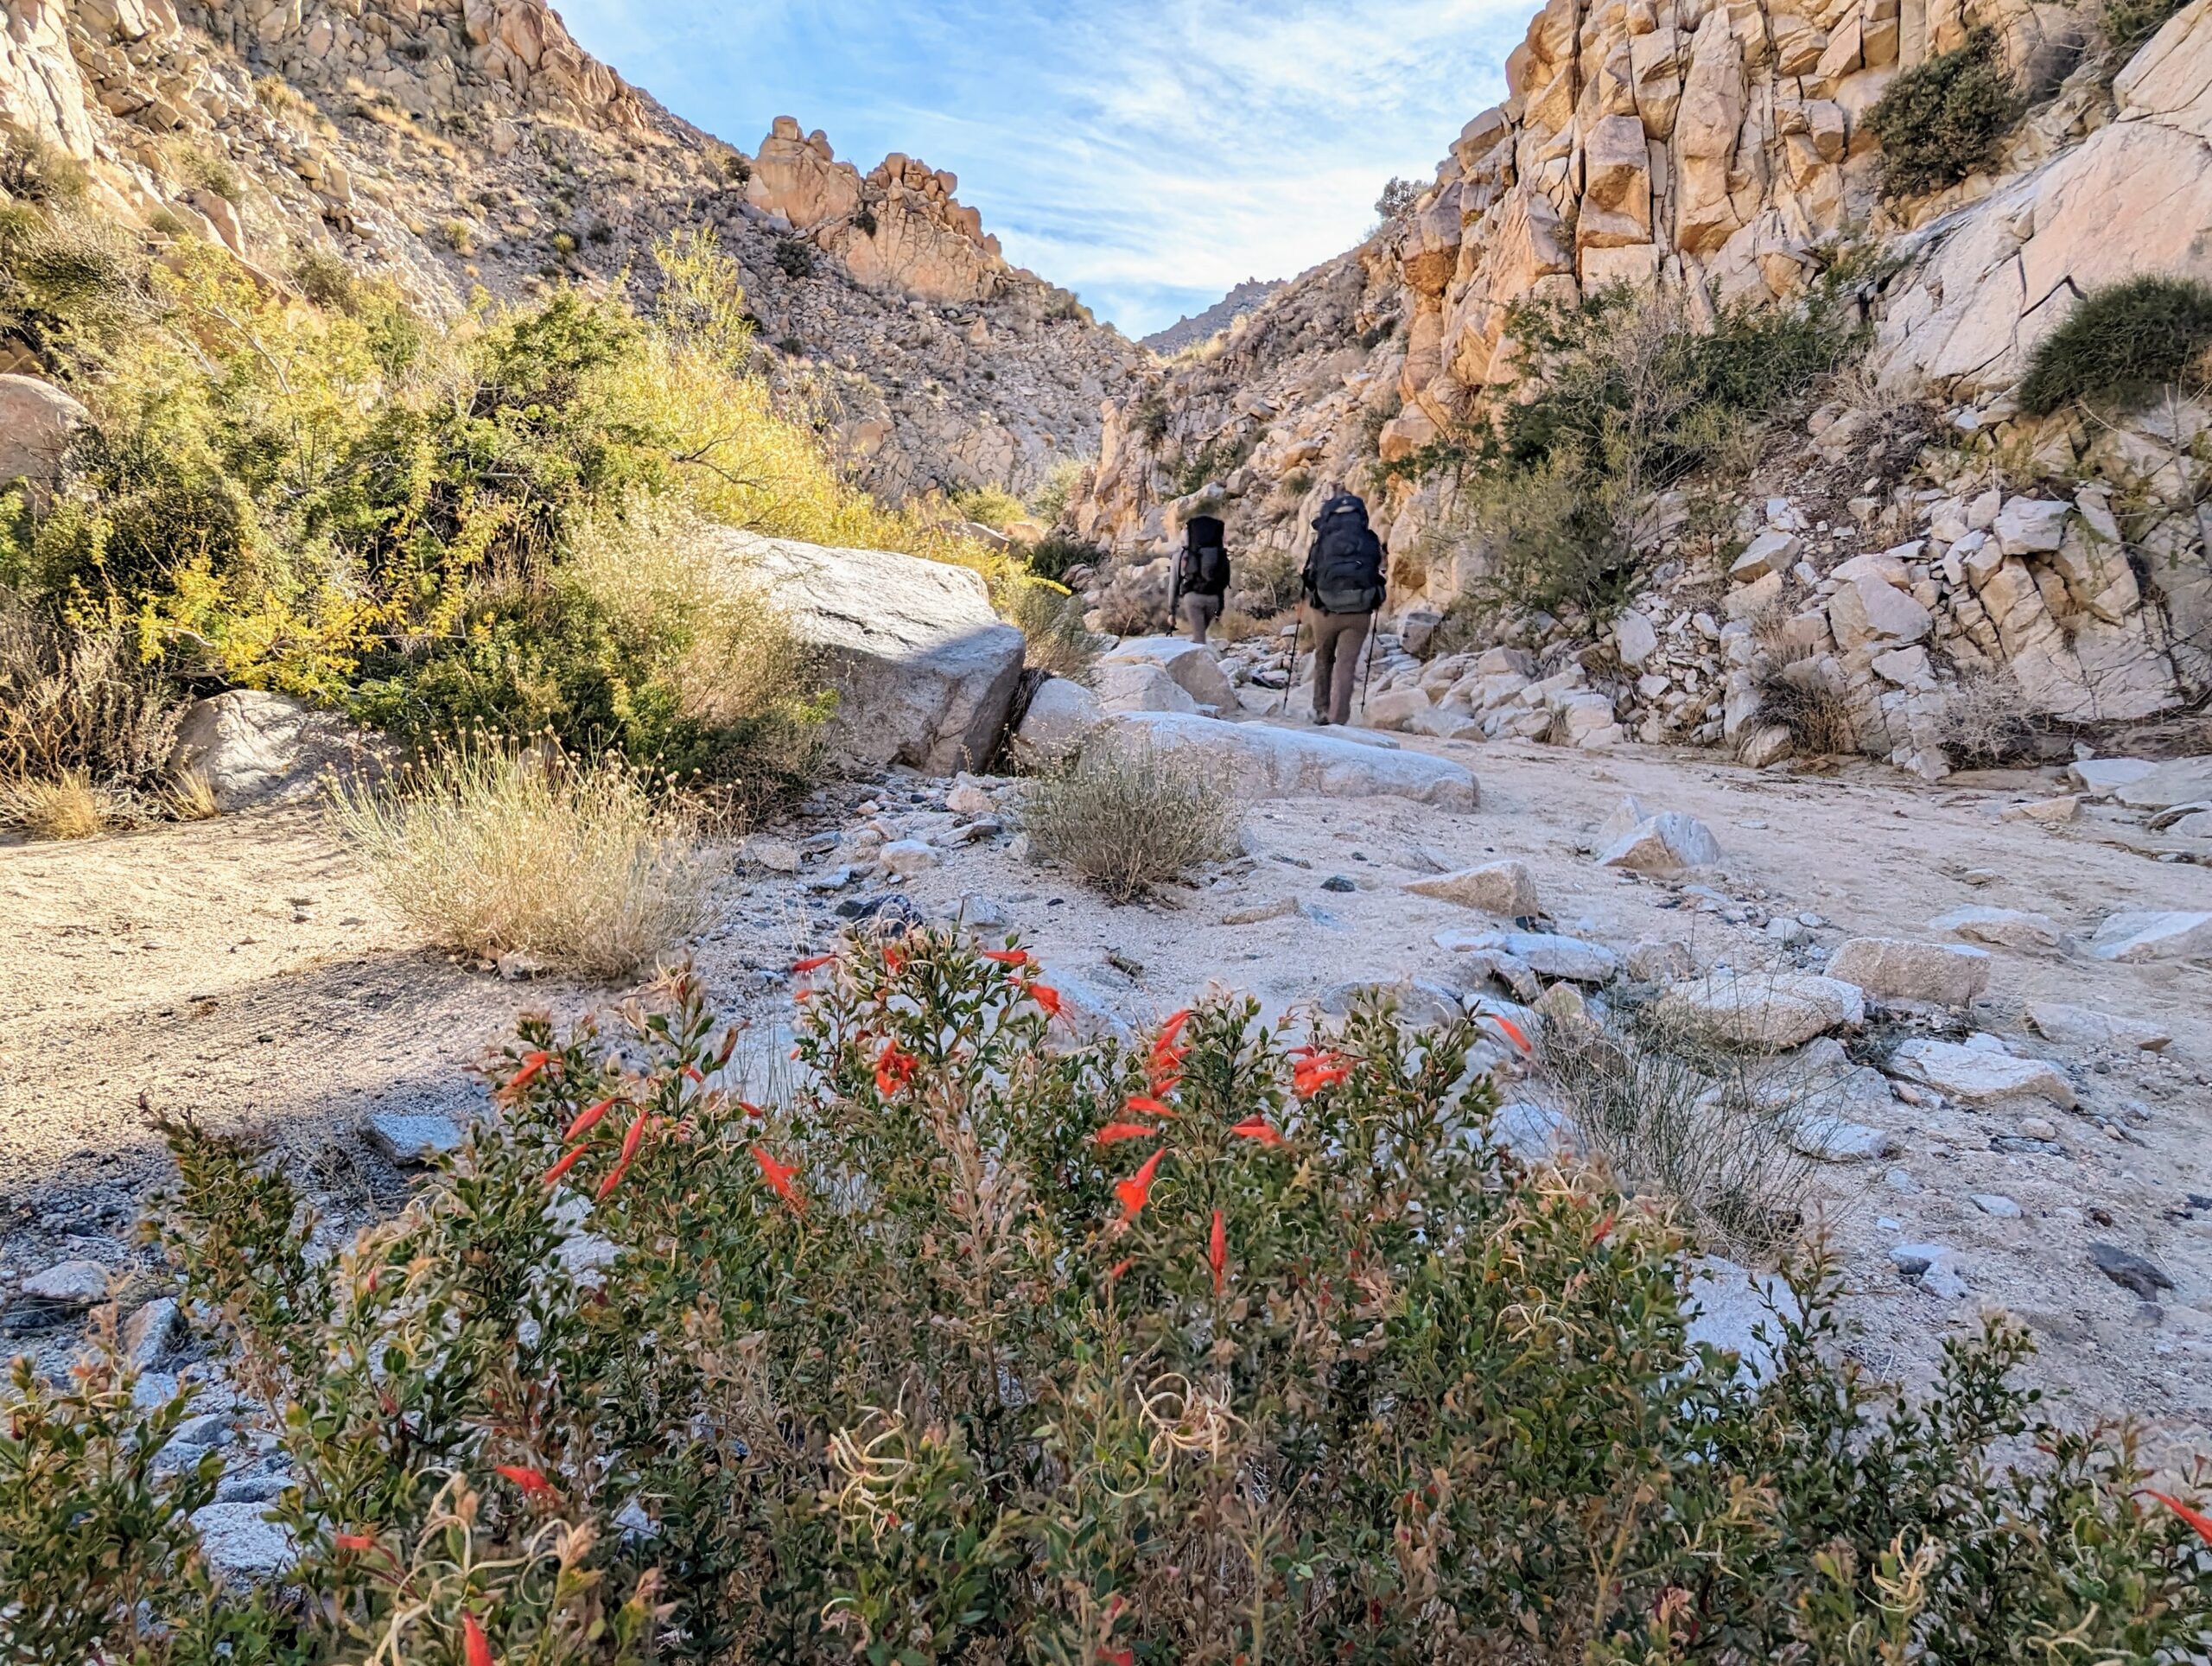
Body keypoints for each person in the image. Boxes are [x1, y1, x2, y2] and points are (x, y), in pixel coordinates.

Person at [1300, 487, 1385, 725]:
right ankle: (1339, 721)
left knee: (1323, 657)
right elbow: (1379, 569)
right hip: (1359, 612)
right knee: (1346, 666)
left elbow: (1308, 576)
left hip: (1325, 609)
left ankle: (1320, 711)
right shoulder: (1369, 539)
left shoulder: (1323, 541)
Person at [1170, 513, 1230, 644]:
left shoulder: (1180, 556)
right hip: (1214, 600)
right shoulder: (1218, 553)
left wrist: (1172, 612)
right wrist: (1220, 607)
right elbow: (1224, 580)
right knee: (1200, 634)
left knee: (1199, 639)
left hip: (1192, 599)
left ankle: (1200, 661)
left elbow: (1174, 585)